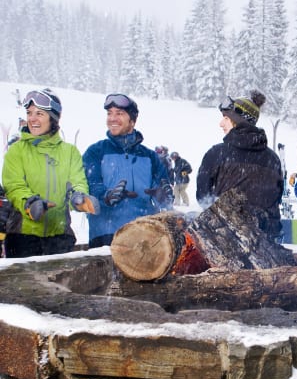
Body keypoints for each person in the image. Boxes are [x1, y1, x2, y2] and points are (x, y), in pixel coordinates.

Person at [1, 89, 98, 257]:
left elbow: (77, 181)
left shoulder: (69, 152)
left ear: (53, 118)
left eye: (39, 114)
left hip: (60, 238)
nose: (32, 119)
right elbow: (14, 186)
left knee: (59, 283)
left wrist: (78, 198)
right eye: (29, 113)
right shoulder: (17, 151)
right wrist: (29, 203)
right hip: (22, 238)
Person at [83, 93, 173, 249]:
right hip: (105, 235)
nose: (112, 118)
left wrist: (163, 195)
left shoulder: (149, 156)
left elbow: (164, 194)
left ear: (132, 120)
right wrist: (106, 196)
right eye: (109, 113)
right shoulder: (96, 152)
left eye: (119, 113)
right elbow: (90, 185)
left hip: (143, 235)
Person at [196, 90, 283, 240]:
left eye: (225, 118)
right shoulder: (273, 159)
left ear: (238, 120)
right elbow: (275, 201)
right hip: (264, 246)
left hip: (224, 242)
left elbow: (203, 197)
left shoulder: (216, 154)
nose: (221, 123)